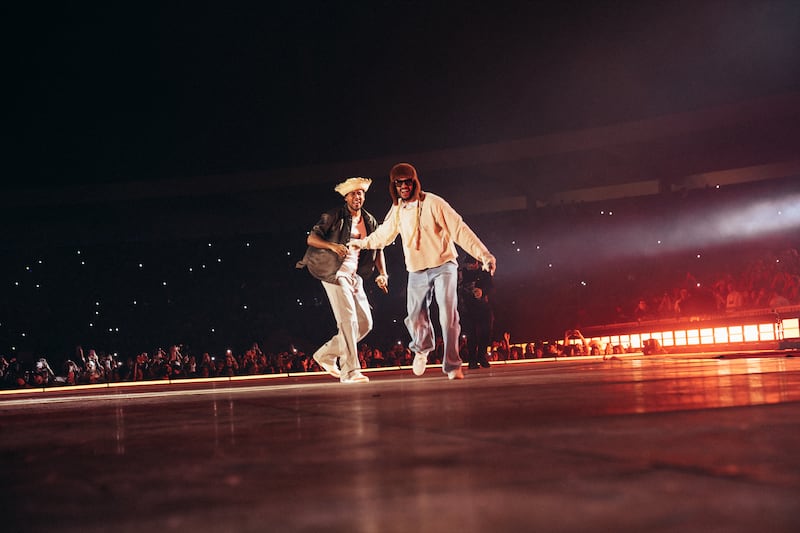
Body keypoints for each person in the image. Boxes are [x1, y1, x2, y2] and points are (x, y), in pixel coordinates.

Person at [350, 163, 496, 380]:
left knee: (448, 314)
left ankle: (453, 365)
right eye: (398, 183)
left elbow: (459, 229)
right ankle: (421, 348)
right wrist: (362, 244)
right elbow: (384, 234)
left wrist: (484, 254)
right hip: (417, 270)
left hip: (444, 265)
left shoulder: (434, 203)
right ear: (394, 186)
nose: (403, 186)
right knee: (415, 316)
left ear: (414, 182)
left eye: (407, 182)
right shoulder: (398, 210)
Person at [296, 177, 388, 384]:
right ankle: (350, 371)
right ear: (346, 197)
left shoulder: (370, 220)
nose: (357, 197)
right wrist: (333, 246)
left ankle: (325, 354)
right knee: (348, 320)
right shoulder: (334, 215)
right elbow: (311, 238)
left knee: (365, 324)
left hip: (355, 276)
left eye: (360, 193)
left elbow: (378, 248)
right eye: (353, 193)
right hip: (333, 273)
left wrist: (383, 274)